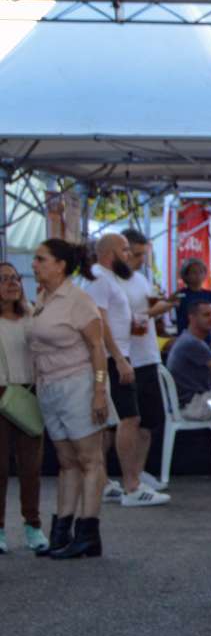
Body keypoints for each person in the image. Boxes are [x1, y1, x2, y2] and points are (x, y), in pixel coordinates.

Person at [28, 239, 116, 560]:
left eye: (41, 259)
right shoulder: (43, 298)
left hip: (78, 385)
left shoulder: (78, 300)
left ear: (60, 265)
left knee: (90, 459)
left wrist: (98, 392)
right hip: (50, 386)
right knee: (66, 461)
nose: (34, 264)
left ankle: (88, 532)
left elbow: (97, 348)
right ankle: (62, 531)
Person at [87, 234, 168, 508]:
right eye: (125, 250)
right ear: (110, 253)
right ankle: (131, 486)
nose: (129, 255)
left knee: (126, 419)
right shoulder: (99, 278)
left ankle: (114, 481)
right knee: (127, 419)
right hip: (113, 357)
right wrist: (120, 358)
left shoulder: (110, 278)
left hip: (121, 355)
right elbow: (100, 322)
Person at [121, 229, 175, 492]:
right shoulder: (110, 283)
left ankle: (139, 473)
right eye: (137, 254)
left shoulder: (141, 279)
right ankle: (126, 477)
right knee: (126, 422)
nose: (141, 260)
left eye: (144, 254)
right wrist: (155, 311)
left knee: (149, 422)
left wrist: (160, 308)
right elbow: (122, 320)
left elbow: (146, 312)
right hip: (126, 358)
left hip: (148, 356)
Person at [0, 262, 47, 554]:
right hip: (1, 393)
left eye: (15, 278)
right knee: (0, 468)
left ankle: (33, 526)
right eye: (4, 279)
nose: (12, 283)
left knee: (31, 467)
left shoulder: (31, 315)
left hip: (29, 394)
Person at [173, 258, 211, 341]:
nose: (198, 275)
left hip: (206, 342)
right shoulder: (180, 294)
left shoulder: (210, 295)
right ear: (186, 275)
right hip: (185, 341)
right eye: (194, 272)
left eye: (201, 272)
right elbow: (164, 306)